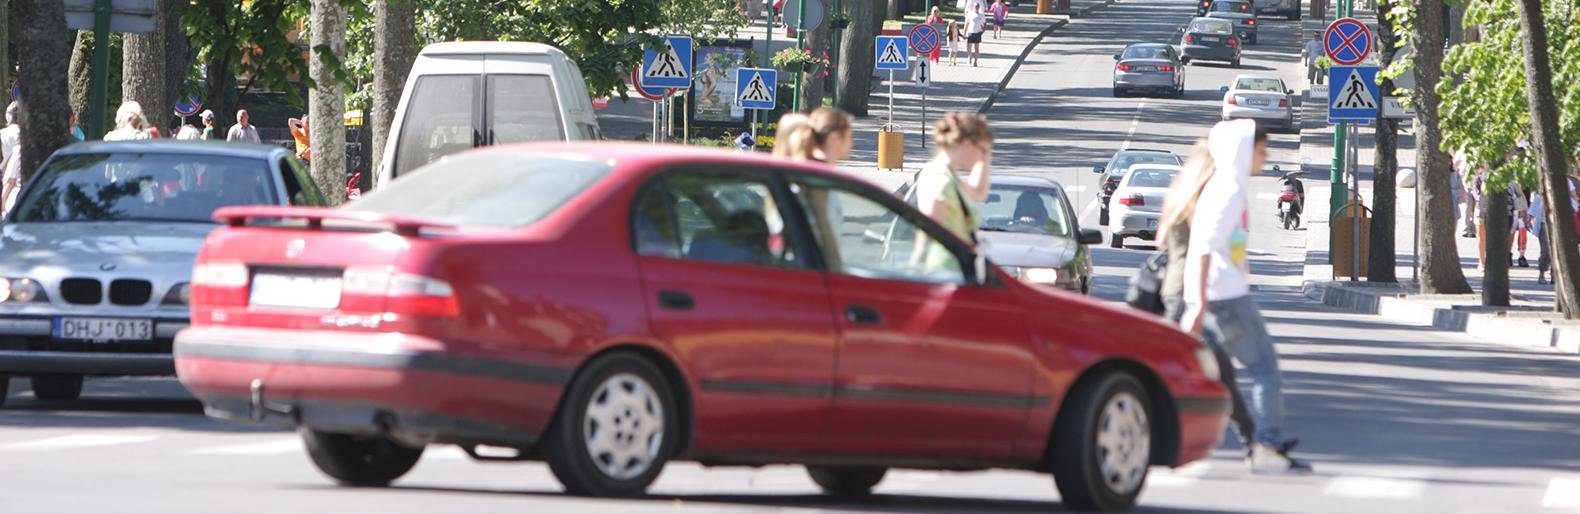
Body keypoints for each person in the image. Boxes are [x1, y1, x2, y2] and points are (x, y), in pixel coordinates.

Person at [1184, 119, 1309, 474]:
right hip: (1226, 298)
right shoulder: (1229, 190)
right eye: (1260, 150)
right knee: (1265, 369)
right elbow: (1207, 246)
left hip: (1214, 296)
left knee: (1198, 374)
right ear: (1242, 151)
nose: (1264, 157)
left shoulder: (1223, 186)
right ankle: (1267, 445)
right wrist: (1200, 303)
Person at [1156, 142, 1257, 460]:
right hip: (1199, 291)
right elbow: (1232, 248)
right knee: (1218, 370)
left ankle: (1251, 437)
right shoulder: (1211, 199)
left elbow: (1160, 241)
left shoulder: (1177, 193)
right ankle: (1254, 438)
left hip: (1172, 289)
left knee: (1173, 365)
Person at [914, 111, 993, 244]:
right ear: (967, 144)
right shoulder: (940, 180)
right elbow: (927, 235)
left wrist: (985, 152)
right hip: (943, 264)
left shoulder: (944, 173)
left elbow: (979, 193)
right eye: (983, 151)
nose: (982, 158)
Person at [780, 107, 853, 164]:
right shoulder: (827, 176)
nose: (852, 142)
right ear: (834, 138)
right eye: (849, 136)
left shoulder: (801, 166)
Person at [1530, 188, 1550, 284]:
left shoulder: (1565, 185)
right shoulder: (1542, 188)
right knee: (1545, 250)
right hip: (1544, 224)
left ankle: (1554, 274)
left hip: (1560, 224)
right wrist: (1529, 217)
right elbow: (1535, 205)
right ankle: (1542, 273)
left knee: (1557, 251)